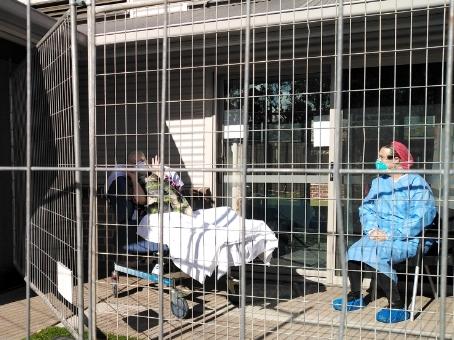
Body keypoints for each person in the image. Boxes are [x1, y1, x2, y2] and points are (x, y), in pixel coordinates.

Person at [332, 141, 437, 323]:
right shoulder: (379, 182)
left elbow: (422, 216)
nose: (378, 160)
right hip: (378, 234)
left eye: (382, 157)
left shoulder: (416, 183)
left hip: (409, 237)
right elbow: (367, 208)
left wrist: (391, 233)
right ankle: (355, 296)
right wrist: (372, 229)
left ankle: (397, 305)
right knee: (354, 251)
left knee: (378, 254)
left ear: (396, 159)